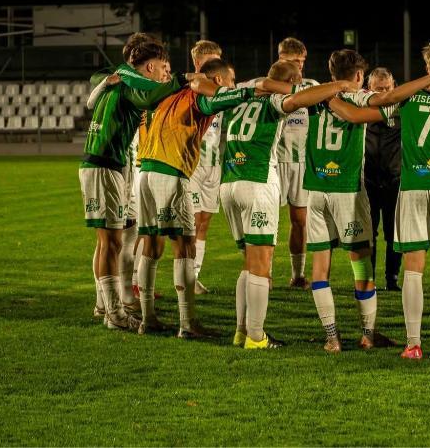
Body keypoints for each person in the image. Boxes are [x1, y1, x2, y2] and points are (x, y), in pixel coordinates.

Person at [303, 49, 430, 353]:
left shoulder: (311, 94)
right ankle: (368, 334)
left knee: (319, 267)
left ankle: (332, 338)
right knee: (361, 265)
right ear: (358, 76)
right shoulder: (356, 97)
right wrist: (428, 80)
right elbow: (383, 102)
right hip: (348, 191)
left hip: (314, 190)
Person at [134, 59, 280, 338]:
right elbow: (230, 97)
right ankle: (187, 324)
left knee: (151, 245)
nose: (233, 84)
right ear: (218, 81)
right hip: (169, 173)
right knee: (185, 246)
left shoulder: (168, 95)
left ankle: (147, 317)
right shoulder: (198, 98)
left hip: (145, 173)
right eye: (231, 79)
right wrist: (253, 91)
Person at [79, 35, 211, 331]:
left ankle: (108, 306)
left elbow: (100, 83)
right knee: (111, 243)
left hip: (106, 166)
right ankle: (114, 312)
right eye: (163, 68)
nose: (166, 73)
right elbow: (151, 95)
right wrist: (182, 79)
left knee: (112, 241)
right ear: (149, 67)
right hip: (104, 165)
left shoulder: (119, 80)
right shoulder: (127, 84)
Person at [220, 60, 353, 349]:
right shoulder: (274, 100)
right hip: (257, 181)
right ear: (291, 79)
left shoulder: (242, 98)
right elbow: (296, 99)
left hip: (228, 181)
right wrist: (340, 85)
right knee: (261, 264)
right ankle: (256, 336)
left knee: (247, 262)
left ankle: (241, 330)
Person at [273, 37, 320, 288]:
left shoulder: (311, 85)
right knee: (269, 221)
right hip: (275, 161)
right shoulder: (269, 86)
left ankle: (298, 275)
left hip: (302, 162)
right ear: (281, 59)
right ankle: (263, 273)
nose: (300, 67)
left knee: (300, 220)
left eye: (302, 62)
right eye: (294, 62)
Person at [188, 40, 224, 294]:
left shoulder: (222, 89)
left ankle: (195, 275)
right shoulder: (187, 88)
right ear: (198, 63)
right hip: (191, 163)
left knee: (204, 221)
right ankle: (186, 276)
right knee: (190, 222)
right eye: (211, 61)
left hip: (214, 164)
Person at [363, 67, 403, 291]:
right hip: (368, 180)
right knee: (368, 232)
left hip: (394, 179)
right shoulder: (360, 108)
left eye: (388, 89)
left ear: (394, 86)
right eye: (379, 90)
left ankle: (392, 278)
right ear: (369, 89)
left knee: (393, 231)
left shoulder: (401, 109)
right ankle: (368, 279)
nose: (385, 94)